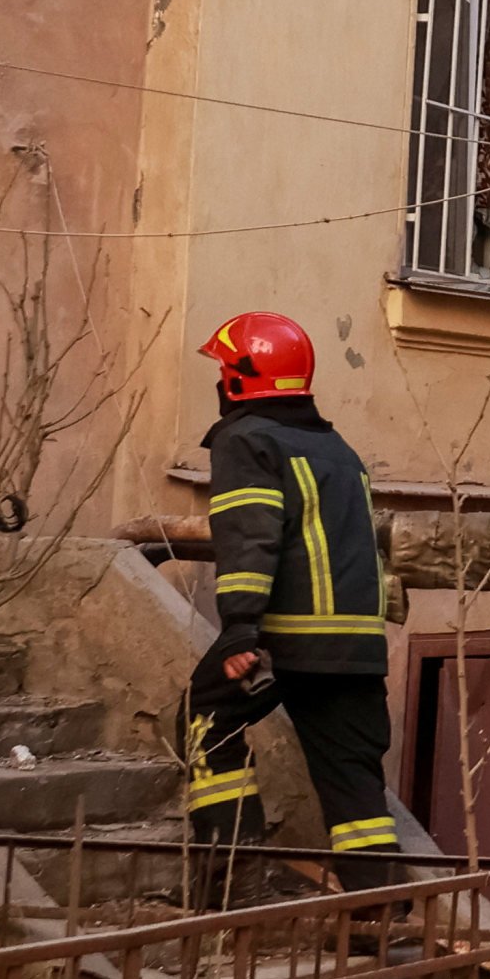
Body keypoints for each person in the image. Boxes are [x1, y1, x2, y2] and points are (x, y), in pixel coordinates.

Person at [180, 312, 405, 901]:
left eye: (224, 369)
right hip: (357, 647)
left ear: (239, 380)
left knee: (207, 713)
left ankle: (234, 877)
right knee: (350, 775)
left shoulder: (246, 440)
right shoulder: (339, 450)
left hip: (288, 638)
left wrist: (239, 630)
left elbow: (251, 536)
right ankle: (378, 906)